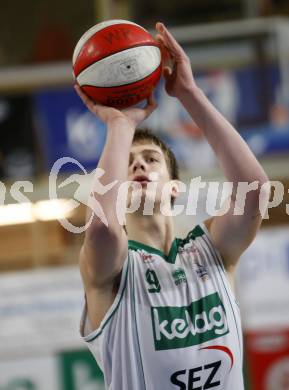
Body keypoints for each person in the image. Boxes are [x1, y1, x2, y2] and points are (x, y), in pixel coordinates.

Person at [75, 22, 269, 390]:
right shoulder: (112, 270)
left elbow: (255, 191)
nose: (139, 166)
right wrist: (119, 125)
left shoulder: (213, 250)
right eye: (130, 162)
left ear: (175, 188)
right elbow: (102, 227)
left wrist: (189, 93)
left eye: (151, 159)